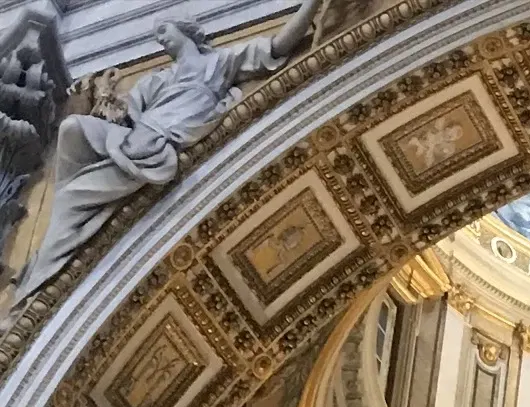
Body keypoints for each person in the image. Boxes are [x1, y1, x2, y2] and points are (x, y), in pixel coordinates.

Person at [14, 0, 323, 302]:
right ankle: (49, 261)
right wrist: (109, 101)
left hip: (159, 143)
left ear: (187, 31)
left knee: (71, 197)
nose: (160, 38)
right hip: (137, 137)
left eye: (164, 29)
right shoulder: (156, 80)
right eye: (157, 34)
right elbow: (126, 116)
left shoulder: (220, 62)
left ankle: (37, 283)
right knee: (70, 129)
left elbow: (278, 46)